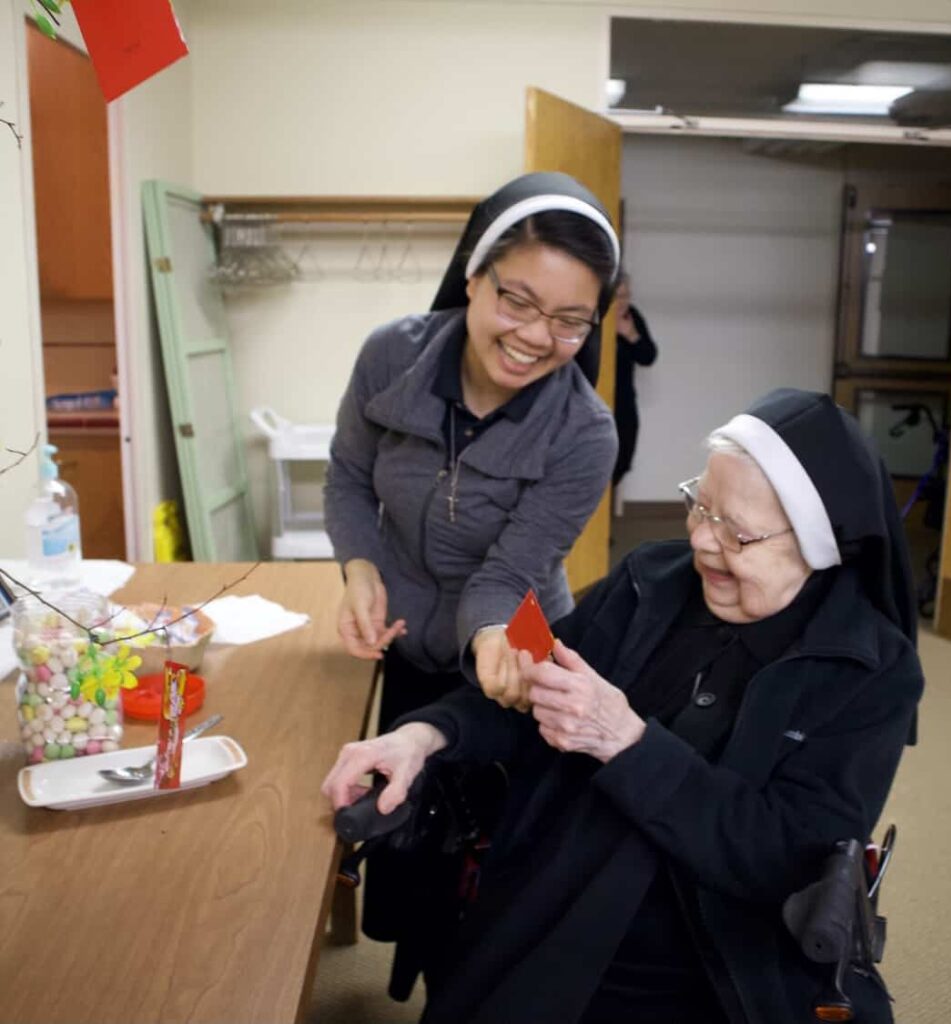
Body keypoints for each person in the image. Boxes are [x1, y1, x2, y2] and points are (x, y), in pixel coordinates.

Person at [322, 388, 925, 1024]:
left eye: (737, 533)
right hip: (550, 891)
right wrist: (424, 735)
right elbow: (529, 693)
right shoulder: (649, 579)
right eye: (700, 507)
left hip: (704, 953)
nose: (701, 542)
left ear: (819, 543)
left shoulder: (869, 669)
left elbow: (788, 858)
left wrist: (627, 743)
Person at [322, 172, 621, 997]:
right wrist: (358, 568)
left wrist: (493, 636)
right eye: (517, 301)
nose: (534, 336)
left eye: (569, 320)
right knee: (410, 821)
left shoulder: (586, 434)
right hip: (412, 628)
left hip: (520, 625)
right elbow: (348, 475)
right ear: (473, 276)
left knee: (499, 844)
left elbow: (510, 571)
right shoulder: (393, 355)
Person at [612, 273, 658, 488]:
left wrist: (630, 334)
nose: (624, 302)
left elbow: (648, 355)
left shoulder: (632, 317)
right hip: (591, 399)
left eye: (627, 295)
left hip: (624, 401)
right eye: (618, 296)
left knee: (623, 456)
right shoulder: (591, 315)